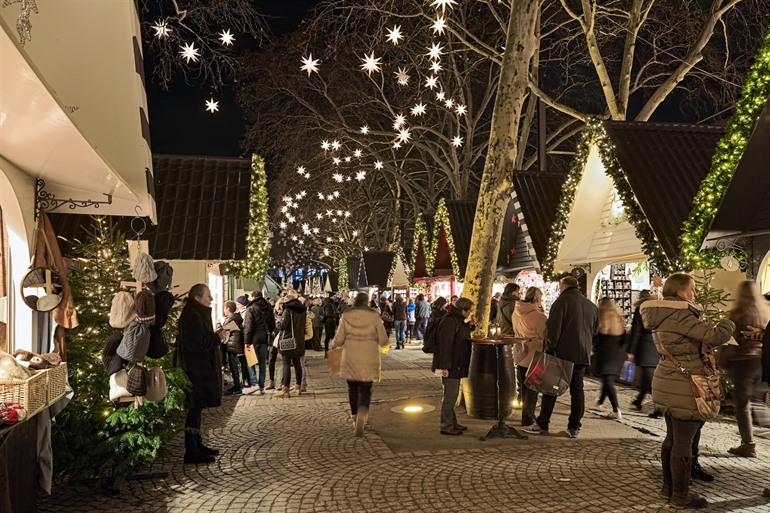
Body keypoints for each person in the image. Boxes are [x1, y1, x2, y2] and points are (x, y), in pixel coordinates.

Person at [640, 273, 734, 509]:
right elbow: (714, 336)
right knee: (682, 441)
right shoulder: (680, 313)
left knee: (672, 437)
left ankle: (669, 488)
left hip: (668, 377)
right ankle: (680, 496)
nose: (694, 293)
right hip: (685, 382)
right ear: (681, 291)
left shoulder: (661, 313)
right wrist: (729, 321)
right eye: (691, 289)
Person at [528, 276, 598, 438]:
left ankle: (543, 423)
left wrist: (550, 348)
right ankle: (574, 427)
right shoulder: (591, 306)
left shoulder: (561, 303)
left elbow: (553, 329)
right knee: (577, 391)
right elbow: (594, 331)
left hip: (562, 354)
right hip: (582, 354)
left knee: (550, 388)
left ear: (563, 286)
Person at [176, 284, 223, 464]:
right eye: (208, 296)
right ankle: (192, 450)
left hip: (199, 368)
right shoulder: (192, 316)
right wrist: (217, 337)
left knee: (197, 409)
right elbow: (198, 343)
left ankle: (197, 443)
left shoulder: (195, 313)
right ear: (197, 298)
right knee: (194, 408)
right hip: (194, 369)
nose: (211, 299)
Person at [333, 292, 389, 436]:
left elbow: (338, 339)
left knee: (352, 388)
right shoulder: (374, 316)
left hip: (350, 357)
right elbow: (383, 339)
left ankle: (354, 416)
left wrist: (335, 344)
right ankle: (362, 416)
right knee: (365, 389)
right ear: (367, 302)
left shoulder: (346, 316)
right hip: (368, 357)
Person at [724, 281, 769, 458]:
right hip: (761, 361)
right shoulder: (765, 313)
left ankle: (748, 444)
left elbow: (729, 340)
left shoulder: (738, 314)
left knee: (742, 405)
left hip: (742, 363)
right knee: (756, 399)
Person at [432, 297, 474, 436]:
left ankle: (452, 422)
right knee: (450, 395)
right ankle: (446, 425)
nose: (470, 313)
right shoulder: (449, 321)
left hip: (456, 363)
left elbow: (461, 334)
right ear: (463, 310)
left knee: (452, 394)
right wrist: (445, 366)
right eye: (470, 311)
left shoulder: (456, 319)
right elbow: (445, 345)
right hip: (450, 364)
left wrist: (470, 325)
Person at [512, 287, 547, 429]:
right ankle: (528, 419)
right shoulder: (539, 317)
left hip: (521, 353)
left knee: (523, 387)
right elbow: (545, 335)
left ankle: (525, 417)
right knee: (532, 390)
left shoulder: (516, 312)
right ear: (537, 298)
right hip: (534, 355)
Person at [594, 298, 627, 420]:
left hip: (605, 352)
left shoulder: (602, 316)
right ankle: (600, 402)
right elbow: (624, 337)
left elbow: (598, 335)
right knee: (607, 378)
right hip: (617, 353)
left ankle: (616, 409)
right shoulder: (619, 316)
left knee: (608, 380)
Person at [627, 290, 658, 410]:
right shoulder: (656, 308)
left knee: (648, 378)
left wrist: (631, 351)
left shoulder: (641, 309)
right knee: (648, 377)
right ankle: (639, 401)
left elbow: (636, 332)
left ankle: (657, 407)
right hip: (655, 347)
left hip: (645, 347)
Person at [275, 290, 307, 398]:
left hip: (288, 340)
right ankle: (298, 387)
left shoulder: (288, 310)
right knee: (297, 364)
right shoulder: (302, 310)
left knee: (286, 365)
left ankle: (285, 390)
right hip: (299, 340)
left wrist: (278, 321)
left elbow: (283, 326)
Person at [242, 291, 275, 395]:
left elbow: (248, 327)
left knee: (251, 362)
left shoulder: (250, 308)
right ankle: (261, 386)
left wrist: (247, 341)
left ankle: (254, 384)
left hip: (253, 339)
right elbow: (272, 325)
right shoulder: (268, 307)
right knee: (262, 363)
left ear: (253, 297)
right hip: (264, 338)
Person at [222, 301, 246, 396]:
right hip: (234, 344)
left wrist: (220, 326)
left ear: (228, 308)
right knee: (234, 366)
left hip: (232, 345)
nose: (224, 310)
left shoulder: (231, 318)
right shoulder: (236, 317)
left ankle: (237, 387)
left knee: (233, 366)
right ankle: (237, 385)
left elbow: (225, 331)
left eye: (224, 308)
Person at [234, 296, 258, 390]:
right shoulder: (249, 311)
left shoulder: (245, 312)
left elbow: (246, 327)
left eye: (238, 304)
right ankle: (253, 381)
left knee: (249, 362)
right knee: (250, 362)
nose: (237, 306)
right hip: (249, 339)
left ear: (241, 304)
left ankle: (253, 382)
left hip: (247, 340)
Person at [321, 292, 339, 356]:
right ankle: (332, 352)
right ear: (332, 296)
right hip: (330, 321)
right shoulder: (329, 304)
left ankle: (327, 352)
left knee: (328, 337)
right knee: (332, 337)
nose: (336, 297)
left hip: (329, 321)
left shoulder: (330, 303)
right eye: (335, 296)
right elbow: (328, 314)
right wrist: (336, 315)